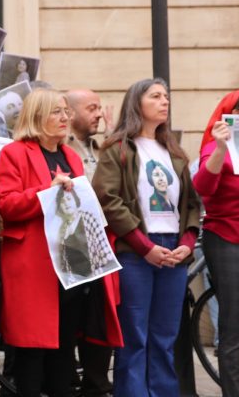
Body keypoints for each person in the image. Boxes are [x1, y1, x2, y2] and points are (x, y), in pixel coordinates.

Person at [0, 88, 122, 397]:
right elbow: (6, 205)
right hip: (33, 267)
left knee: (64, 349)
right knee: (32, 351)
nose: (65, 117)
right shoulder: (14, 152)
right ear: (37, 116)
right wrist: (46, 192)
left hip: (71, 266)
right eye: (57, 112)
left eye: (66, 111)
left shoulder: (71, 156)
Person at [91, 78, 201, 396]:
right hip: (135, 251)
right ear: (136, 103)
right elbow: (107, 199)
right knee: (134, 336)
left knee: (165, 337)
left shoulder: (174, 151)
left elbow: (191, 203)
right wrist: (144, 246)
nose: (164, 101)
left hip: (174, 251)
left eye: (166, 96)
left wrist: (187, 244)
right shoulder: (117, 149)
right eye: (155, 96)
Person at [64, 88, 114, 396]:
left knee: (99, 314)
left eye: (98, 108)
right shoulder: (61, 148)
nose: (98, 114)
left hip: (102, 241)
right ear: (70, 113)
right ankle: (68, 377)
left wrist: (113, 139)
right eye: (91, 108)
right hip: (72, 242)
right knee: (72, 315)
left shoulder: (100, 147)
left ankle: (96, 382)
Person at [193, 90, 239, 396]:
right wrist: (222, 147)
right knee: (234, 325)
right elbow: (203, 187)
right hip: (227, 238)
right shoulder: (216, 146)